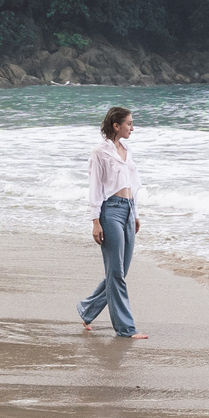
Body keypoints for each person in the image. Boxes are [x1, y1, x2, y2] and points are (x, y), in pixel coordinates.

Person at [78, 105, 148, 340]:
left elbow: (134, 186)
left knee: (119, 272)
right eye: (128, 123)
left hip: (128, 211)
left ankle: (87, 309)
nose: (132, 127)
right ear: (116, 126)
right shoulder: (100, 152)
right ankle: (126, 328)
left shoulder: (127, 149)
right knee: (116, 272)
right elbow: (95, 188)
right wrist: (95, 222)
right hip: (110, 212)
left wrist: (135, 213)